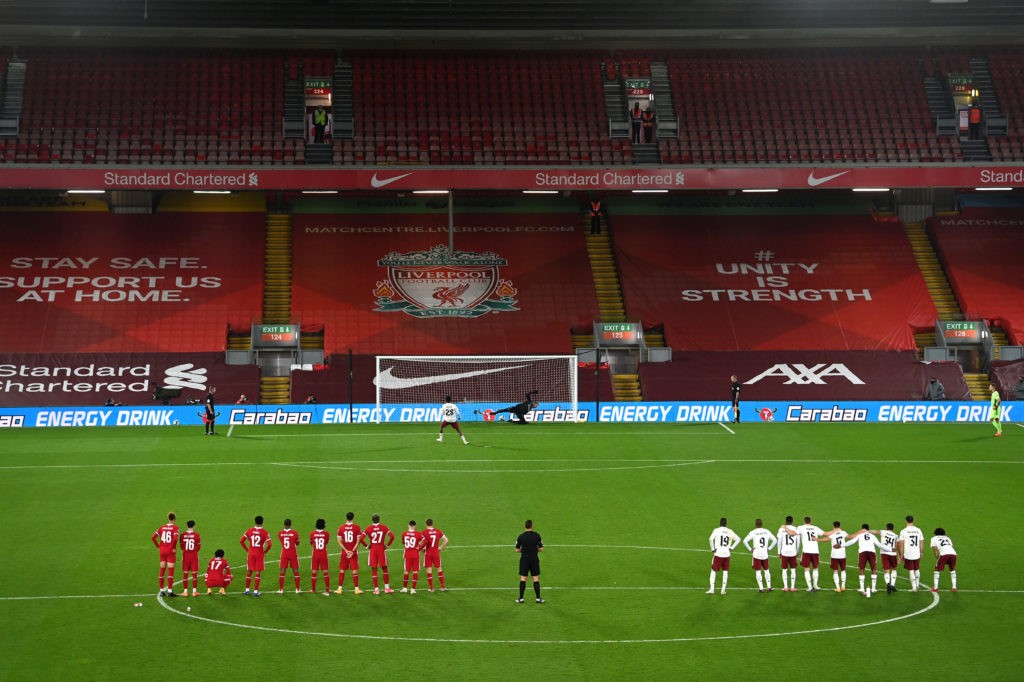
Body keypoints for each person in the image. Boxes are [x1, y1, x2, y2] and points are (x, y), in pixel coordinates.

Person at [843, 523, 885, 597]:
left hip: (862, 553)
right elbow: (879, 545)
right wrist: (889, 549)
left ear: (862, 529)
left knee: (861, 569)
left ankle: (862, 588)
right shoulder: (872, 536)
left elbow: (852, 541)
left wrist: (842, 545)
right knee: (874, 568)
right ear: (868, 529)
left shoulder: (859, 535)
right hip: (872, 553)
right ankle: (874, 588)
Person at [789, 516, 825, 592]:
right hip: (815, 551)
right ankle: (815, 586)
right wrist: (835, 531)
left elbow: (792, 533)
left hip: (806, 551)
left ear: (804, 521)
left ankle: (810, 587)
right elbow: (825, 533)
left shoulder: (801, 527)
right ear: (810, 521)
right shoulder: (815, 528)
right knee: (815, 568)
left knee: (807, 569)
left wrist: (785, 528)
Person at [239, 514, 271, 596]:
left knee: (249, 571)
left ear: (255, 521)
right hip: (259, 553)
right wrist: (265, 552)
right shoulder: (265, 532)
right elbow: (270, 544)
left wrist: (248, 550)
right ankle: (256, 592)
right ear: (262, 522)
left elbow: (241, 541)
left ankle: (247, 590)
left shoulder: (249, 530)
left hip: (251, 553)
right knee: (257, 573)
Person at [742, 518, 777, 592]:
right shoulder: (766, 531)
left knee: (758, 571)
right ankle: (769, 587)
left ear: (755, 524)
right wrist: (769, 548)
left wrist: (750, 549)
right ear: (762, 524)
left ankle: (761, 588)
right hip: (765, 554)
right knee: (766, 570)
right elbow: (775, 540)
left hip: (756, 555)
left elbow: (745, 541)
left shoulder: (753, 532)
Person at [364, 513, 396, 595]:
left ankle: (376, 589)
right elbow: (392, 536)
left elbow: (360, 538)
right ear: (379, 519)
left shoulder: (368, 528)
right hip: (381, 549)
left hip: (373, 550)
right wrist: (387, 545)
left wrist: (367, 546)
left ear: (372, 519)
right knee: (384, 568)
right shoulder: (384, 527)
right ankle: (387, 588)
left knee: (374, 569)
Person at [708, 517, 741, 595]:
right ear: (726, 523)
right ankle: (723, 590)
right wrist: (731, 548)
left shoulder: (716, 530)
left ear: (720, 523)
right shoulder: (730, 531)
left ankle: (712, 589)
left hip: (718, 554)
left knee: (713, 570)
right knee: (725, 571)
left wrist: (713, 549)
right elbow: (738, 539)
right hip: (726, 554)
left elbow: (710, 539)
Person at [335, 511, 364, 595]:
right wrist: (352, 551)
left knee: (342, 570)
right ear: (353, 518)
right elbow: (358, 541)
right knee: (354, 571)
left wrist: (346, 550)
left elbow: (339, 541)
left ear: (346, 518)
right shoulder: (357, 528)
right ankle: (356, 589)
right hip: (353, 553)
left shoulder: (341, 528)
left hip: (344, 553)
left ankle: (339, 589)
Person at [515, 519, 544, 603]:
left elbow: (516, 550)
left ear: (525, 526)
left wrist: (523, 550)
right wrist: (535, 550)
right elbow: (541, 548)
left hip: (524, 559)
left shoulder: (521, 536)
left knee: (523, 578)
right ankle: (538, 599)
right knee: (535, 578)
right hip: (534, 559)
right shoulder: (537, 536)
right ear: (532, 526)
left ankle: (521, 599)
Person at [151, 512, 180, 597]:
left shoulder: (162, 527)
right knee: (170, 571)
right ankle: (170, 591)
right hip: (170, 551)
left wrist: (158, 547)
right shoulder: (175, 528)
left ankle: (161, 591)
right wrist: (174, 548)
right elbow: (175, 539)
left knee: (162, 570)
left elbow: (153, 538)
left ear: (168, 518)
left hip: (162, 551)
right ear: (174, 519)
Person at [897, 515, 925, 592]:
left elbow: (901, 544)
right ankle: (917, 585)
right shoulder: (918, 530)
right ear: (913, 521)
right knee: (917, 569)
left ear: (905, 521)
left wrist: (901, 555)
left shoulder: (903, 531)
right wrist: (921, 552)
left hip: (908, 553)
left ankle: (914, 588)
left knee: (911, 570)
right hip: (916, 553)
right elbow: (921, 542)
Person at [422, 518, 449, 592]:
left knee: (429, 570)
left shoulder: (424, 532)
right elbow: (446, 540)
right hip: (436, 552)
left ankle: (431, 589)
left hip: (428, 553)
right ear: (432, 523)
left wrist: (422, 550)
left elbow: (420, 542)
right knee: (439, 568)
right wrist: (440, 547)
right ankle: (443, 587)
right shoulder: (438, 531)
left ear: (426, 524)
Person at [822, 521, 849, 592]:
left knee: (835, 571)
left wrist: (817, 540)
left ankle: (838, 588)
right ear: (840, 526)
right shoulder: (843, 532)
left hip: (834, 555)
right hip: (843, 554)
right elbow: (850, 537)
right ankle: (843, 586)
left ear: (833, 526)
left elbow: (826, 539)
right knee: (843, 570)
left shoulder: (833, 534)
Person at [776, 515, 801, 592]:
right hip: (793, 552)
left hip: (784, 552)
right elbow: (798, 542)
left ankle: (785, 587)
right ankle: (793, 587)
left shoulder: (781, 529)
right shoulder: (796, 529)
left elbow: (779, 541)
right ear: (792, 521)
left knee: (784, 569)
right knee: (793, 569)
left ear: (786, 522)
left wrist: (779, 552)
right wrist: (797, 551)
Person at [930, 527, 958, 592]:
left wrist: (937, 558)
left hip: (944, 554)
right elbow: (950, 546)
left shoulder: (933, 538)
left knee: (937, 569)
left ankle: (935, 588)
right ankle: (954, 588)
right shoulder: (947, 538)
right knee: (952, 569)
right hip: (953, 554)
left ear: (935, 533)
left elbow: (935, 549)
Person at [277, 518, 301, 594]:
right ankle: (297, 589)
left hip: (284, 553)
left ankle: (281, 590)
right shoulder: (295, 533)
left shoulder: (280, 533)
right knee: (296, 571)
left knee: (282, 571)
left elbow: (282, 541)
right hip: (293, 553)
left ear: (284, 525)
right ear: (290, 524)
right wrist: (296, 541)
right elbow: (297, 543)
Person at [400, 521, 424, 594]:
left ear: (408, 525)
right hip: (415, 554)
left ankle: (405, 588)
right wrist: (419, 547)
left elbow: (403, 542)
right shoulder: (418, 534)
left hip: (407, 554)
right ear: (415, 526)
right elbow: (425, 541)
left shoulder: (404, 534)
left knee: (406, 571)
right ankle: (413, 589)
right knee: (415, 571)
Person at [179, 519, 202, 597]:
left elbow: (181, 546)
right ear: (194, 526)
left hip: (185, 555)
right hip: (194, 555)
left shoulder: (182, 535)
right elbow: (199, 547)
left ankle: (185, 591)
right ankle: (194, 591)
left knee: (185, 574)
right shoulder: (197, 535)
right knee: (194, 574)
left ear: (187, 525)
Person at [309, 518, 332, 595]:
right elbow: (326, 542)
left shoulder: (312, 533)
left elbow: (311, 542)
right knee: (325, 572)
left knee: (314, 572)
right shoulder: (327, 534)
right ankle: (328, 589)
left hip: (315, 554)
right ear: (324, 525)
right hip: (323, 553)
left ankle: (313, 589)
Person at [879, 522, 900, 593]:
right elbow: (897, 547)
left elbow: (875, 532)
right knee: (894, 569)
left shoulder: (883, 532)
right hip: (893, 554)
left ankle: (888, 584)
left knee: (887, 570)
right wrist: (899, 555)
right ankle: (893, 585)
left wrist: (868, 531)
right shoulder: (896, 536)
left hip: (884, 553)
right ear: (893, 529)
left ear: (886, 528)